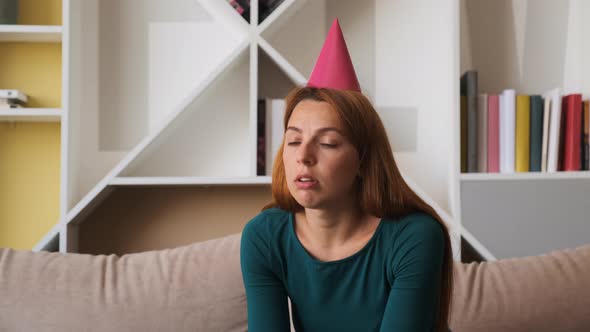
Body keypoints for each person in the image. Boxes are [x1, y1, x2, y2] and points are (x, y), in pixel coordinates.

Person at [240, 18, 453, 332]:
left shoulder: (414, 237)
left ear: (364, 160)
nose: (303, 156)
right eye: (294, 140)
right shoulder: (264, 236)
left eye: (327, 143)